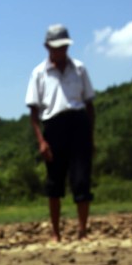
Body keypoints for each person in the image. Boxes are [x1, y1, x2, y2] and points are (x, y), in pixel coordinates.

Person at [25, 24, 96, 242]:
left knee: (81, 179)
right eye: (56, 47)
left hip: (78, 124)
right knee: (54, 182)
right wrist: (41, 141)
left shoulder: (79, 69)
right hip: (53, 127)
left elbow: (89, 105)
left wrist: (90, 136)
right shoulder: (39, 73)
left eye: (64, 47)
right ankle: (56, 233)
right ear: (47, 47)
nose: (61, 51)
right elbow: (34, 112)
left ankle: (82, 230)